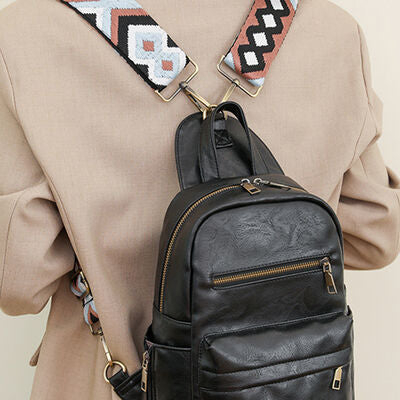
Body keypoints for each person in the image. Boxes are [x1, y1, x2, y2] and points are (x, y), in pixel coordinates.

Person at [0, 0, 399, 398]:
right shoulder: (328, 28)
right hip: (295, 382)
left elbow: (19, 284)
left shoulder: (28, 30)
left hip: (113, 381)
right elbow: (376, 236)